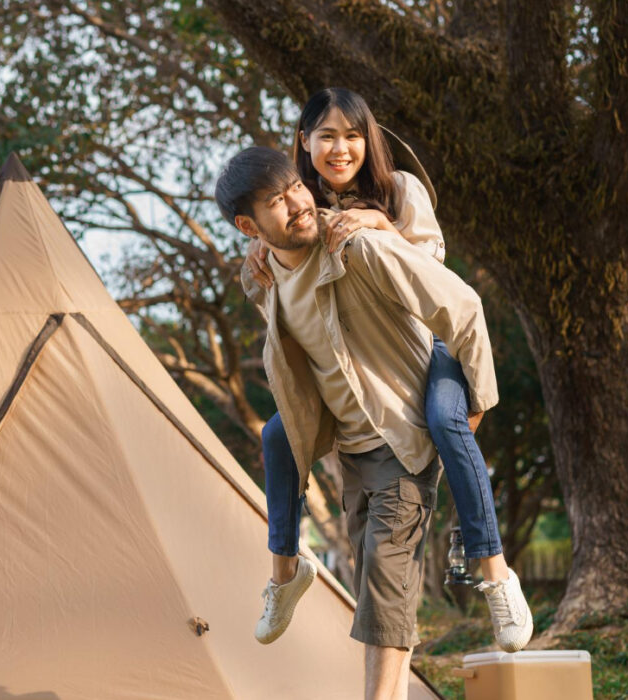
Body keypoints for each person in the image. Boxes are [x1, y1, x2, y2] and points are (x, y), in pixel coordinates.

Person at [214, 141, 523, 700]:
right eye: (275, 201)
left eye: (296, 188)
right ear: (248, 225)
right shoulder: (265, 277)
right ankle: (286, 571)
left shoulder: (358, 247)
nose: (297, 203)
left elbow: (464, 308)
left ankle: (496, 570)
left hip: (401, 439)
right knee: (383, 590)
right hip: (350, 454)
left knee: (384, 584)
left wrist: (474, 406)